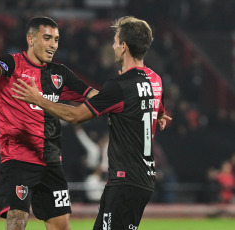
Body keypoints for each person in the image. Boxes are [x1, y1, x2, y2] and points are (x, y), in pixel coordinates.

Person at [11, 16, 172, 230]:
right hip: (143, 179)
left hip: (125, 180)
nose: (113, 45)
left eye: (115, 41)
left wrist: (37, 99)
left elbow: (75, 116)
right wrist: (158, 114)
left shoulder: (119, 86)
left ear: (124, 47)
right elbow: (155, 102)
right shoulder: (155, 79)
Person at [0, 16, 98, 230]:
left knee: (62, 227)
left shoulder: (60, 74)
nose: (53, 44)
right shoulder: (12, 63)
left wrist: (122, 102)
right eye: (47, 38)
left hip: (52, 161)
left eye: (56, 39)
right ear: (31, 39)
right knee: (18, 221)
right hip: (19, 158)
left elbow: (91, 94)